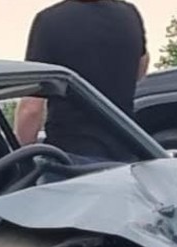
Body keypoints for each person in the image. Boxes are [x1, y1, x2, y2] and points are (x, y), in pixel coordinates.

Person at [14, 0, 149, 161]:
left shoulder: (50, 21)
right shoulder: (129, 14)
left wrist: (20, 160)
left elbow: (31, 109)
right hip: (125, 154)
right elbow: (142, 64)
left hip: (71, 158)